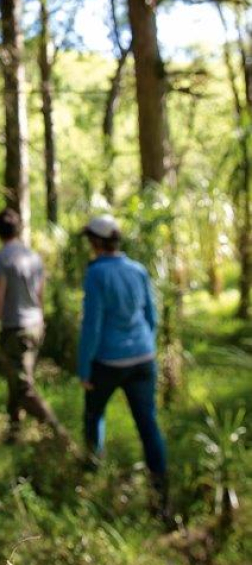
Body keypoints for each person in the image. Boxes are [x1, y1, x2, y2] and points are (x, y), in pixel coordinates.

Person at [78, 214, 168, 512]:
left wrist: (84, 368)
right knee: (148, 425)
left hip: (108, 361)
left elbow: (92, 326)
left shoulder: (96, 274)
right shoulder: (138, 269)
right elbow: (152, 318)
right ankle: (161, 496)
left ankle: (92, 470)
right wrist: (144, 346)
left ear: (96, 242)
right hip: (144, 357)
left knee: (93, 414)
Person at [0, 208, 69, 445]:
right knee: (16, 377)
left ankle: (60, 435)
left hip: (16, 328)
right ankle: (14, 434)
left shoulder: (2, 258)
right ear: (18, 229)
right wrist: (40, 321)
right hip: (35, 325)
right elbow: (40, 295)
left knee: (23, 387)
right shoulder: (33, 257)